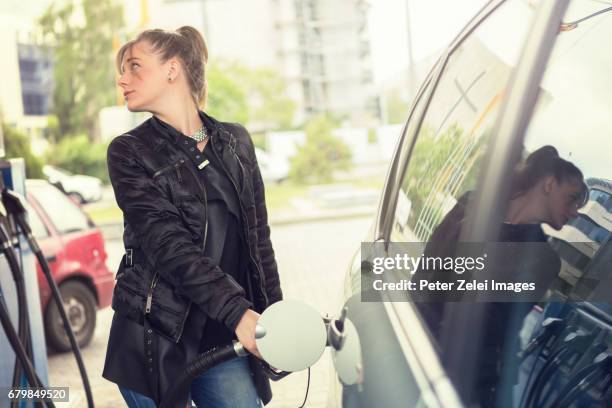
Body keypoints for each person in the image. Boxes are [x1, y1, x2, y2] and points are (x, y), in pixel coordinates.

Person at [101, 26, 283, 408]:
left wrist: (274, 321)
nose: (122, 78)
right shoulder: (129, 152)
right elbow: (170, 247)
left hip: (222, 339)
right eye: (122, 70)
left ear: (172, 69)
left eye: (134, 67)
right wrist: (239, 314)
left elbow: (257, 242)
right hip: (153, 340)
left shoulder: (235, 143)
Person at [415, 145, 588, 406]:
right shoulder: (471, 206)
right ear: (549, 183)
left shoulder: (541, 260)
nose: (575, 211)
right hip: (417, 348)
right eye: (572, 198)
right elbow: (426, 274)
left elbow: (488, 330)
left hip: (466, 387)